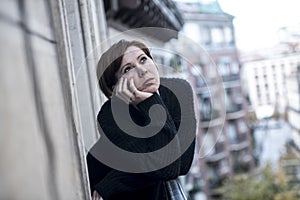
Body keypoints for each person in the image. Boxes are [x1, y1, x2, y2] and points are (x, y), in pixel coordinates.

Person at [86, 39, 196, 200]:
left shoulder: (179, 91)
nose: (143, 71)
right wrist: (150, 102)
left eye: (143, 59)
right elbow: (167, 167)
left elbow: (180, 165)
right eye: (128, 69)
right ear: (115, 88)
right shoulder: (111, 115)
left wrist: (112, 183)